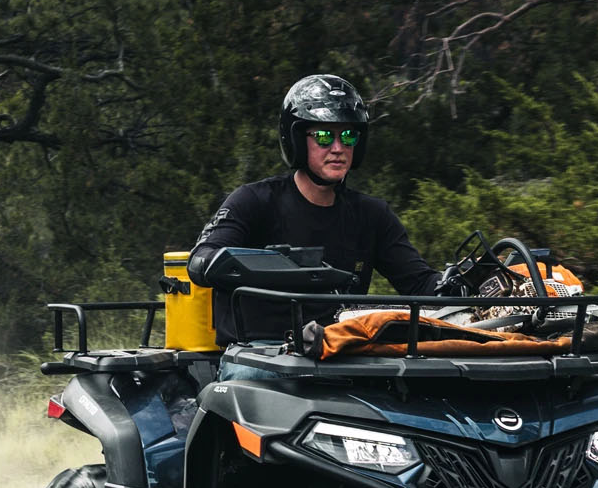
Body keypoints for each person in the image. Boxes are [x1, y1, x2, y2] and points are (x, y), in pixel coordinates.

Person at [190, 74, 444, 379]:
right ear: (297, 139)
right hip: (262, 356)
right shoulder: (254, 201)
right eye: (324, 136)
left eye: (348, 136)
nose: (338, 147)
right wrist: (270, 266)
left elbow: (420, 285)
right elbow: (204, 258)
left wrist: (470, 282)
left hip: (342, 352)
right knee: (254, 383)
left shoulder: (372, 215)